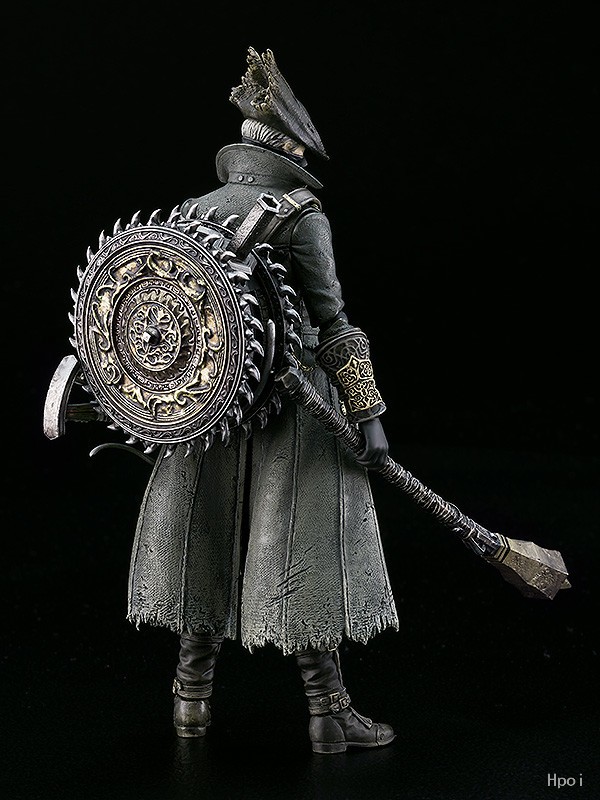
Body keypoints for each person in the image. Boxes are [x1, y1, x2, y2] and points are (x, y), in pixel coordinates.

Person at [127, 46, 399, 754]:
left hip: (206, 407)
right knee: (305, 552)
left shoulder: (192, 211)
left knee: (205, 540)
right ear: (289, 150)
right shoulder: (302, 214)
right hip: (294, 407)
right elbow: (333, 324)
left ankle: (189, 702)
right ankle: (327, 714)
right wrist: (368, 415)